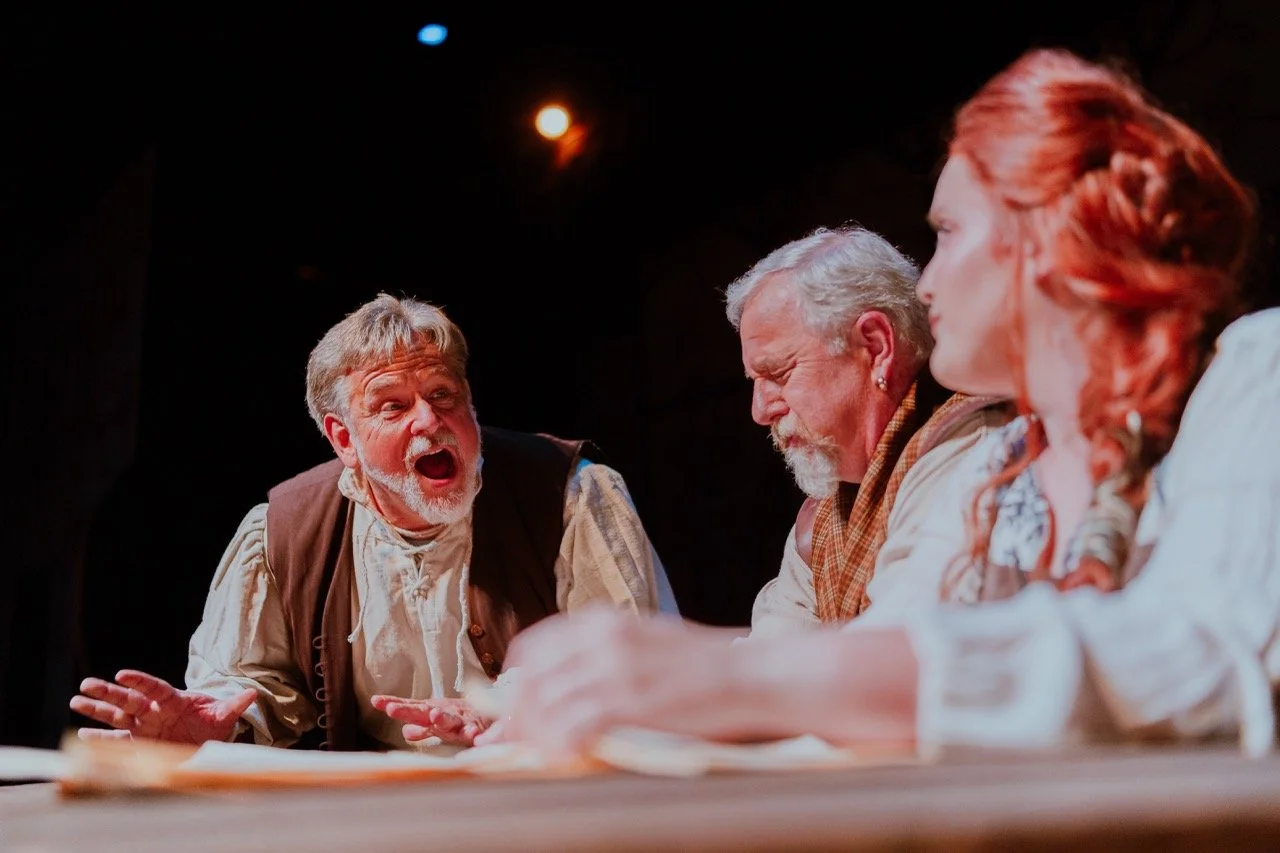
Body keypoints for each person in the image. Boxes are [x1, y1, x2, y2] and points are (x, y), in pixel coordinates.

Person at [476, 47, 1280, 759]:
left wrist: (732, 671)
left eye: (948, 233)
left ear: (1050, 236)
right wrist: (621, 690)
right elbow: (890, 652)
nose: (925, 283)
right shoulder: (1011, 466)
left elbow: (1204, 656)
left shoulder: (1255, 374)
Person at [70, 293, 677, 752]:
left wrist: (506, 708)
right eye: (392, 406)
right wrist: (216, 720)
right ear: (344, 438)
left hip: (548, 790)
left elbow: (632, 658)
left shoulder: (569, 492)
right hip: (382, 810)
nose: (429, 421)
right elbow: (246, 680)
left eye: (444, 394)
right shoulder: (282, 532)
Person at [727, 226, 1010, 637]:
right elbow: (767, 665)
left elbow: (899, 659)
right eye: (755, 381)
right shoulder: (823, 518)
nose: (760, 410)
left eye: (778, 373)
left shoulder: (975, 457)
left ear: (876, 347)